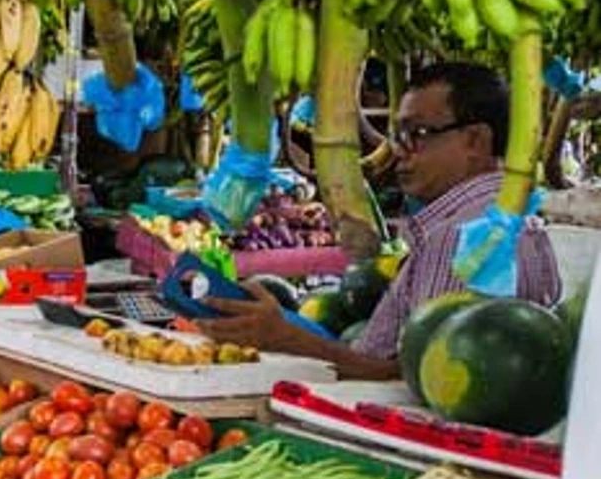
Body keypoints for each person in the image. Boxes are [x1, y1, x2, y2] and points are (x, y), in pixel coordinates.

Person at [198, 61, 561, 379]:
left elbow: (413, 380)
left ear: (475, 140)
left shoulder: (462, 238)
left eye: (417, 134)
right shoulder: (517, 224)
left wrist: (284, 337)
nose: (398, 150)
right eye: (397, 135)